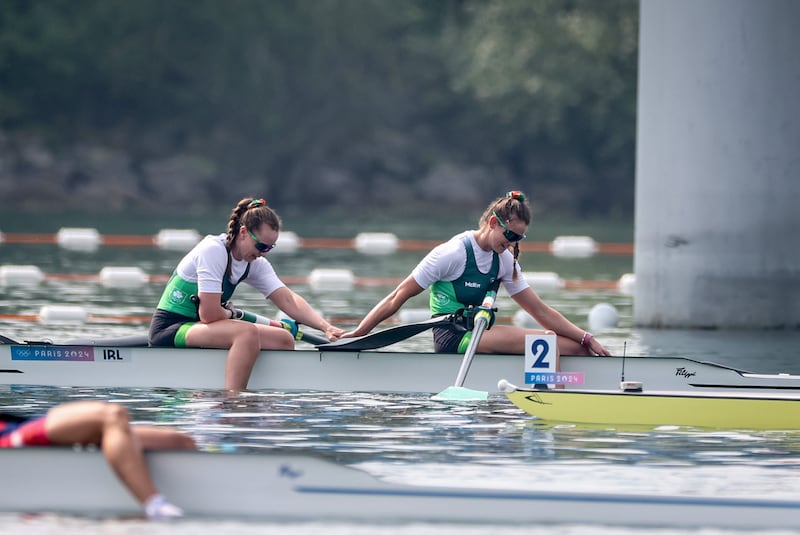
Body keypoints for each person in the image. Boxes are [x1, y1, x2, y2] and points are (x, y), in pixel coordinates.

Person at [343, 191, 611, 367]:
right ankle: (551, 403)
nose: (512, 244)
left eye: (519, 239)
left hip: (481, 334)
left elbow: (539, 310)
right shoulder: (451, 254)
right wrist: (359, 334)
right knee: (547, 341)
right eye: (510, 236)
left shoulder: (504, 259)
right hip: (453, 337)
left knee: (576, 350)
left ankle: (560, 391)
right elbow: (396, 297)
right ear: (494, 223)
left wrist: (586, 338)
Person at [149, 197, 344, 390]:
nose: (264, 253)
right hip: (172, 328)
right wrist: (231, 314)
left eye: (270, 248)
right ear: (243, 233)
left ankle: (255, 385)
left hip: (202, 327)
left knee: (283, 338)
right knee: (246, 332)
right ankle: (234, 400)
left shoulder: (254, 263)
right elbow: (208, 315)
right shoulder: (213, 251)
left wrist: (325, 327)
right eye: (261, 246)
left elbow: (288, 299)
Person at [0, 401, 196, 520]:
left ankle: (186, 501)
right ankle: (154, 505)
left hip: (18, 423)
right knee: (111, 415)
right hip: (7, 437)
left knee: (179, 442)